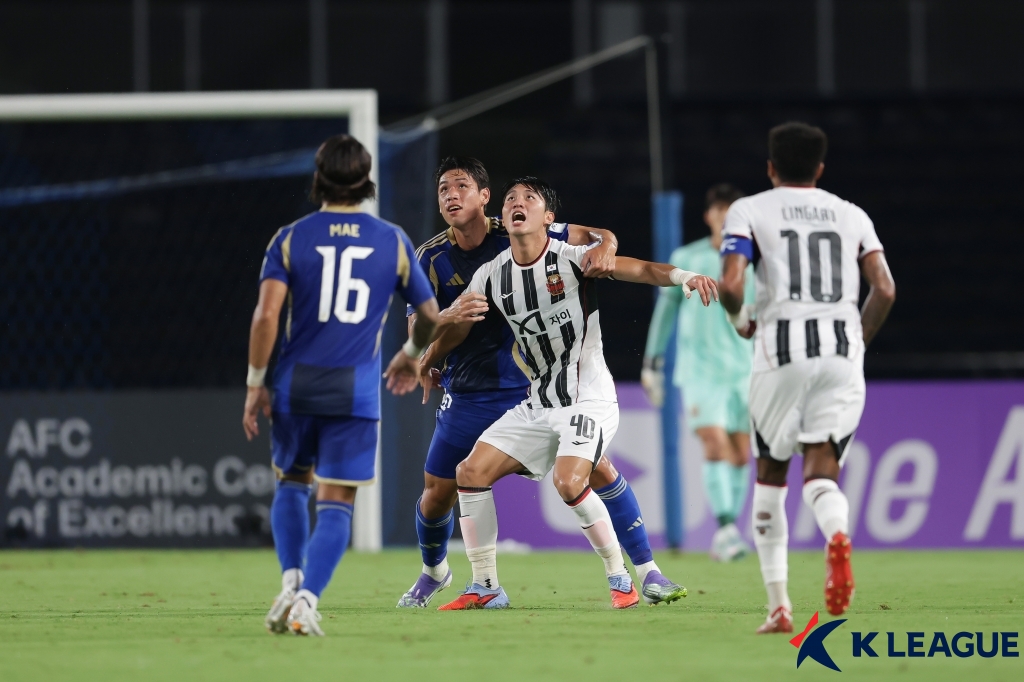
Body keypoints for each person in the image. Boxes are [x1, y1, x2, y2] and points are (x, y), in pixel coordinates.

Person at [398, 158, 686, 609]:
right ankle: (439, 573)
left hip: (531, 384)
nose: (451, 195)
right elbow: (420, 329)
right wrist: (429, 353)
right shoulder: (432, 257)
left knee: (593, 469)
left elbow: (597, 238)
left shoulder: (522, 229)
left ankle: (644, 572)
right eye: (443, 189)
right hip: (469, 388)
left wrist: (609, 244)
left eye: (461, 186)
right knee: (439, 492)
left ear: (484, 196)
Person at [242, 134, 439, 636]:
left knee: (291, 482)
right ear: (367, 181)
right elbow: (430, 315)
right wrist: (410, 355)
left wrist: (255, 382)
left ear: (318, 178)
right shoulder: (392, 240)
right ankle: (307, 600)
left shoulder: (291, 238)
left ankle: (290, 582)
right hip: (354, 392)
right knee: (336, 501)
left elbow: (265, 316)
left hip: (295, 386)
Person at [718, 122, 895, 634]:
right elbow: (884, 288)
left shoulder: (749, 209)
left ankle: (780, 607)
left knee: (771, 473)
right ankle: (836, 533)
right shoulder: (851, 213)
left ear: (770, 167)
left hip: (781, 351)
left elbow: (732, 285)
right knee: (822, 469)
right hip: (842, 353)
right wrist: (856, 339)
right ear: (819, 168)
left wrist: (740, 319)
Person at [641, 183, 755, 562]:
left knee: (741, 453)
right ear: (709, 216)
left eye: (733, 211)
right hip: (700, 371)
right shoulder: (686, 258)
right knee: (714, 442)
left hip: (745, 369)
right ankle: (726, 528)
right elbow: (665, 311)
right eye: (720, 211)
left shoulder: (754, 262)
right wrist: (652, 362)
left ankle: (728, 531)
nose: (726, 218)